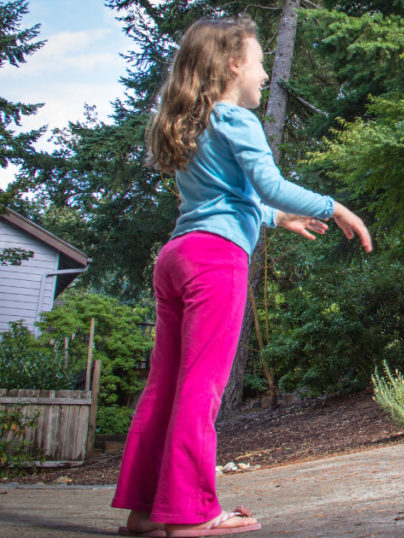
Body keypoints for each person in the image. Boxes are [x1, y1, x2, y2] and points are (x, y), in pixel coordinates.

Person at [111, 15, 372, 537]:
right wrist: (334, 206)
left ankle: (145, 512)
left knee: (163, 386)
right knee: (201, 389)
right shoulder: (237, 119)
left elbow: (228, 200)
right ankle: (190, 513)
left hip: (179, 255)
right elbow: (269, 184)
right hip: (215, 261)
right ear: (233, 65)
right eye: (259, 63)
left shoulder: (196, 121)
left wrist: (276, 219)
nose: (265, 76)